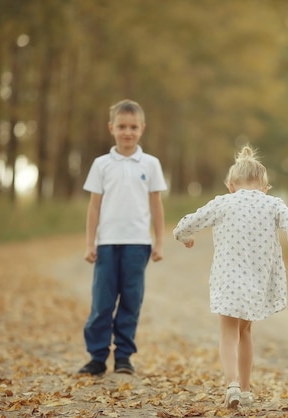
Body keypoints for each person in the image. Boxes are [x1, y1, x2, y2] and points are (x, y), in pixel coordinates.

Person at [173, 145, 288, 409]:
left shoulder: (223, 202)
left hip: (228, 279)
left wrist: (185, 237)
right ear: (264, 187)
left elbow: (187, 223)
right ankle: (245, 391)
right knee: (245, 332)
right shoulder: (272, 204)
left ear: (231, 186)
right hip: (257, 282)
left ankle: (232, 384)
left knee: (228, 333)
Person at [78, 99, 167, 376]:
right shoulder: (101, 164)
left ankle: (124, 356)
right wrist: (90, 243)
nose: (127, 132)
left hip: (138, 243)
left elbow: (156, 205)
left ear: (142, 129)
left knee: (131, 300)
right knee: (102, 302)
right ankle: (96, 357)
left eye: (133, 127)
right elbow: (94, 206)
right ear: (111, 128)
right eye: (121, 126)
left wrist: (159, 242)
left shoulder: (150, 164)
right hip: (106, 243)